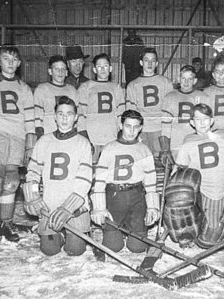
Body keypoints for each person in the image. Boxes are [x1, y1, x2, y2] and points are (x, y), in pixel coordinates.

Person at [0, 45, 36, 245]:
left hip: (17, 136)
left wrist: (30, 140)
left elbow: (30, 117)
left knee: (12, 182)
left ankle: (6, 222)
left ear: (19, 63)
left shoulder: (24, 88)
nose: (10, 63)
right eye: (6, 59)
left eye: (14, 60)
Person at [23, 96, 92, 256]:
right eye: (60, 114)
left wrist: (68, 208)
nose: (64, 118)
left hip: (74, 206)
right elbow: (33, 170)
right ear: (55, 116)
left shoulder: (83, 142)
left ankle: (75, 235)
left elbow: (84, 180)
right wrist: (32, 195)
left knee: (75, 250)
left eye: (69, 114)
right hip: (50, 204)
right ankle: (59, 235)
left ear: (76, 118)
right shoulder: (44, 141)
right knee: (49, 250)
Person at [90, 110, 160, 259]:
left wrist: (153, 206)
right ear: (121, 125)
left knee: (138, 248)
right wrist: (99, 207)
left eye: (136, 127)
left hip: (136, 197)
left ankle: (131, 227)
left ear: (141, 128)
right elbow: (100, 180)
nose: (132, 131)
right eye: (128, 126)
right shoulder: (109, 148)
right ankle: (118, 230)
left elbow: (150, 182)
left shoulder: (144, 150)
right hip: (114, 197)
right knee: (113, 247)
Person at [175, 103, 224, 248]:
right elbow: (180, 169)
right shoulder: (188, 141)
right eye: (197, 119)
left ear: (212, 121)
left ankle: (210, 222)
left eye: (205, 119)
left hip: (216, 191)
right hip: (195, 192)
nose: (202, 123)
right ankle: (191, 226)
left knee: (206, 242)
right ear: (192, 122)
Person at [77, 53, 126, 164]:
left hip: (111, 137)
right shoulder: (86, 87)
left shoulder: (116, 88)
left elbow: (121, 114)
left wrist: (120, 136)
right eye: (99, 66)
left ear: (111, 68)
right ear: (94, 70)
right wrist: (85, 138)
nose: (103, 69)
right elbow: (81, 114)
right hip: (92, 137)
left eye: (106, 66)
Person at [126, 47, 173, 156]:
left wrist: (167, 134)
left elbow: (170, 111)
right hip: (142, 131)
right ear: (141, 63)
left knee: (162, 164)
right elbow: (131, 112)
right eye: (146, 60)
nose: (150, 63)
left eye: (153, 60)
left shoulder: (166, 82)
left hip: (161, 130)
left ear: (156, 63)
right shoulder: (133, 85)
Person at [160, 65, 209, 162]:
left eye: (190, 79)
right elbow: (165, 127)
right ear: (179, 79)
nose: (186, 82)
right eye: (183, 78)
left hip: (197, 144)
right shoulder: (169, 97)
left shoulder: (203, 97)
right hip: (177, 145)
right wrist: (166, 149)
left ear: (195, 81)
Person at [34, 55, 78, 138]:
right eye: (57, 69)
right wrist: (40, 136)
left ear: (66, 72)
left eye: (63, 69)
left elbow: (76, 115)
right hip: (49, 135)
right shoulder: (42, 89)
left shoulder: (72, 90)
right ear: (50, 71)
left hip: (68, 136)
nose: (60, 72)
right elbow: (37, 116)